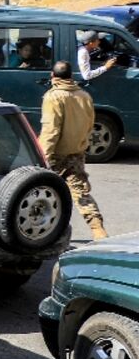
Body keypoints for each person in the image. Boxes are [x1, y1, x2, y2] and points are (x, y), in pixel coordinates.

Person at [40, 61, 108, 240]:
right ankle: (97, 229)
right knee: (80, 192)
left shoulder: (53, 97)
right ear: (71, 76)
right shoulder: (84, 95)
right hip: (76, 153)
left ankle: (45, 234)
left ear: (52, 76)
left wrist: (42, 157)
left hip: (55, 155)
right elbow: (90, 124)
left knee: (44, 194)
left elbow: (51, 130)